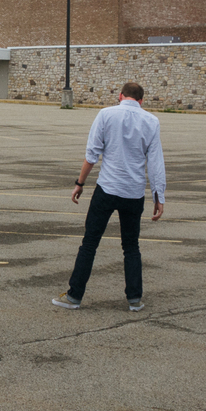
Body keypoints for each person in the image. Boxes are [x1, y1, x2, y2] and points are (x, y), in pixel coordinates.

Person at [52, 81, 166, 312]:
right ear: (141, 101)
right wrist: (158, 196)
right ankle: (134, 299)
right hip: (133, 193)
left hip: (107, 188)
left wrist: (79, 183)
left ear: (120, 96)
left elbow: (92, 153)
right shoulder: (152, 121)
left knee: (90, 243)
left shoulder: (105, 115)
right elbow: (155, 162)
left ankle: (75, 296)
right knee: (131, 246)